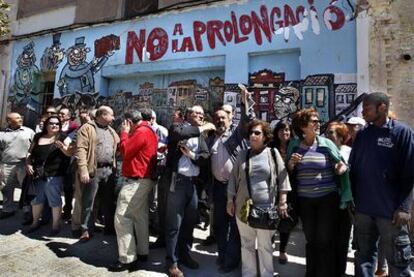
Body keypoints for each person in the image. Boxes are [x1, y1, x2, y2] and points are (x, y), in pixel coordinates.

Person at [349, 92, 414, 277]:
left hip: (391, 213)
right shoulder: (362, 135)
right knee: (363, 257)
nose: (363, 113)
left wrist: (404, 207)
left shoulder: (402, 132)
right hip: (363, 211)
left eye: (367, 109)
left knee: (398, 260)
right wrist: (352, 200)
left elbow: (410, 173)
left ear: (382, 107)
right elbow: (354, 170)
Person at [287, 107, 351, 277]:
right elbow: (288, 174)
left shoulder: (326, 144)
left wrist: (341, 168)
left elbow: (342, 164)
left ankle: (325, 273)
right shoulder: (294, 146)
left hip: (327, 199)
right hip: (305, 201)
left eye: (318, 120)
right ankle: (311, 272)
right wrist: (291, 164)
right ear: (302, 126)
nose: (318, 123)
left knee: (324, 239)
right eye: (313, 121)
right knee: (311, 239)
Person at [227, 119, 291, 277]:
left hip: (266, 210)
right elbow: (233, 180)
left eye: (257, 133)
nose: (253, 135)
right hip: (243, 208)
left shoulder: (273, 154)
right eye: (251, 133)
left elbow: (283, 179)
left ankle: (266, 274)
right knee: (246, 245)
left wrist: (282, 202)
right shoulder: (242, 154)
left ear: (265, 136)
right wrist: (230, 200)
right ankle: (248, 274)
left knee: (265, 246)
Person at [165, 105, 216, 277]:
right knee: (174, 224)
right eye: (197, 113)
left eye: (202, 114)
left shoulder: (200, 136)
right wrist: (200, 128)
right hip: (177, 182)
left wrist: (191, 156)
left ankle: (185, 255)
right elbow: (179, 135)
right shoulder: (178, 127)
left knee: (189, 223)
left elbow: (205, 157)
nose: (201, 116)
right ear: (189, 115)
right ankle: (172, 262)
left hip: (193, 184)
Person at [206, 87, 253, 273]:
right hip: (218, 188)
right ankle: (223, 256)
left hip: (236, 189)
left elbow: (246, 120)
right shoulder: (210, 139)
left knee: (235, 227)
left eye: (223, 118)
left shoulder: (236, 134)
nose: (219, 121)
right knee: (219, 225)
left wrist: (244, 101)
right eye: (216, 118)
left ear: (230, 119)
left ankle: (231, 262)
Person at [110, 109, 158, 271]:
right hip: (143, 180)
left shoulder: (141, 132)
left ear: (129, 122)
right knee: (139, 216)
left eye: (125, 123)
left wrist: (124, 133)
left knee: (122, 217)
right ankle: (142, 251)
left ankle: (127, 258)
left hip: (136, 181)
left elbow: (125, 151)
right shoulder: (148, 130)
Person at [75, 106, 120, 241]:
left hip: (109, 171)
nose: (113, 118)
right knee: (89, 201)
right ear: (103, 115)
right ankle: (86, 229)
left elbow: (119, 145)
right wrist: (83, 170)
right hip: (93, 170)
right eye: (111, 115)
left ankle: (109, 228)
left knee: (108, 201)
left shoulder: (111, 131)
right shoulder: (87, 128)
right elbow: (81, 149)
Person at [25, 116, 72, 235]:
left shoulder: (63, 137)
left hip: (54, 174)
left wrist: (62, 147)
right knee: (36, 200)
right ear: (46, 125)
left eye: (57, 124)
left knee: (54, 200)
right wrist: (28, 164)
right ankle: (35, 222)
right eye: (51, 123)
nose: (54, 125)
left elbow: (70, 152)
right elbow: (30, 153)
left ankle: (55, 225)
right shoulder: (38, 136)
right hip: (38, 174)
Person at [325, 121, 353, 276]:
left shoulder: (348, 152)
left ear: (341, 137)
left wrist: (345, 168)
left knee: (342, 240)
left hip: (343, 202)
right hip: (326, 200)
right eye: (327, 132)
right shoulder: (324, 151)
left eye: (331, 133)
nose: (327, 135)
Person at [269, 120, 295, 264]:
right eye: (281, 130)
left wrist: (291, 166)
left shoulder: (295, 146)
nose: (284, 133)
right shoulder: (271, 147)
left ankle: (283, 251)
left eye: (287, 130)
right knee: (271, 218)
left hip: (290, 190)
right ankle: (270, 243)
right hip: (272, 188)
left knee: (286, 220)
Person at [0, 112, 35, 219]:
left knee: (27, 189)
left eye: (21, 117)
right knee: (6, 188)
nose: (21, 119)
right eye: (17, 118)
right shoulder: (2, 134)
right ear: (9, 121)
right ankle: (8, 209)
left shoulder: (29, 132)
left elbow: (34, 147)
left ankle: (27, 211)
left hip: (24, 165)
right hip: (7, 165)